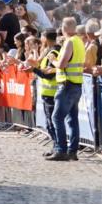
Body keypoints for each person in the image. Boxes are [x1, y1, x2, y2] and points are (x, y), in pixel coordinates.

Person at [46, 17, 85, 161]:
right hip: (76, 84)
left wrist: (53, 60)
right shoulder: (79, 41)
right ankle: (72, 151)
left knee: (57, 117)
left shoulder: (69, 42)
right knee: (72, 119)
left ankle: (61, 149)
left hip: (67, 85)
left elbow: (62, 64)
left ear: (64, 28)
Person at [23, 29, 59, 151]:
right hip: (46, 92)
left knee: (53, 123)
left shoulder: (53, 52)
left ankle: (58, 148)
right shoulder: (47, 51)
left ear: (46, 38)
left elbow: (49, 74)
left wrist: (33, 69)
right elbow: (43, 69)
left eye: (42, 37)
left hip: (52, 93)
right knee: (49, 124)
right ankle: (55, 147)